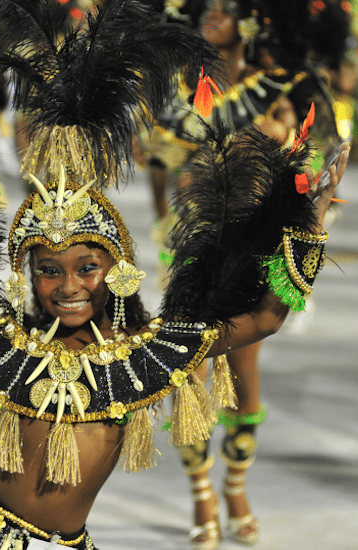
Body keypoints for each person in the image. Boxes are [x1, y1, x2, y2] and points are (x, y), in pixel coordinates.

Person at [0, 1, 349, 548]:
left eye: (87, 268)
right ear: (27, 275)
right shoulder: (4, 343)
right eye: (48, 270)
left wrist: (307, 230)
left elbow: (263, 318)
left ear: (117, 271)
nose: (68, 287)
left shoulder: (147, 354)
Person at [141, 2, 348, 548]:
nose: (214, 15)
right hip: (189, 247)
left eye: (228, 8)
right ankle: (201, 494)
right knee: (190, 372)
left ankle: (235, 488)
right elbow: (161, 163)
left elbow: (309, 156)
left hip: (255, 246)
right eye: (207, 7)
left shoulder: (278, 84)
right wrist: (165, 217)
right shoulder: (184, 86)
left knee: (242, 374)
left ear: (253, 19)